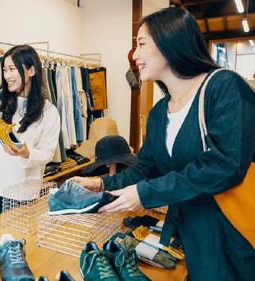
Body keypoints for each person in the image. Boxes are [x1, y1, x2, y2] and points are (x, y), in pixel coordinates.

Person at [70, 7, 255, 281]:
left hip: (232, 231)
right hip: (192, 233)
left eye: (141, 44)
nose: (134, 55)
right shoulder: (159, 113)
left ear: (170, 41)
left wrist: (145, 193)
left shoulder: (223, 87)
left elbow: (225, 164)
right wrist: (101, 184)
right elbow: (144, 169)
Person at [0, 45, 60, 223]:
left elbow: (48, 152)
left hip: (21, 192)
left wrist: (27, 153)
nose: (7, 76)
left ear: (31, 70)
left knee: (14, 244)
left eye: (12, 69)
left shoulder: (49, 112)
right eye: (4, 70)